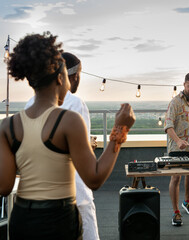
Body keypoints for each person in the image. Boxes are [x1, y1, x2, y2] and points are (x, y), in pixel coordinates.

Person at [0, 32, 135, 240]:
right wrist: (120, 130)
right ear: (61, 78)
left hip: (22, 220)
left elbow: (4, 186)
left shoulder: (7, 126)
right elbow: (95, 178)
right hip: (59, 219)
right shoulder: (69, 121)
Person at [25, 52, 100, 240]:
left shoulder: (30, 103)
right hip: (75, 190)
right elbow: (77, 152)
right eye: (79, 75)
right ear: (72, 76)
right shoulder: (76, 103)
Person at [164, 71, 189, 226]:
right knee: (176, 177)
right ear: (184, 84)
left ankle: (187, 202)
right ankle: (176, 212)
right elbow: (168, 126)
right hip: (176, 146)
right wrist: (178, 140)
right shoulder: (174, 102)